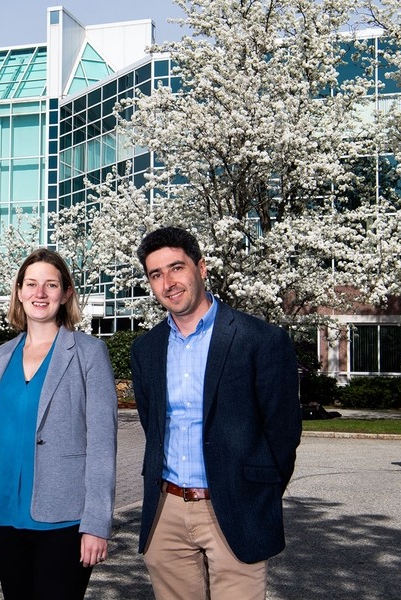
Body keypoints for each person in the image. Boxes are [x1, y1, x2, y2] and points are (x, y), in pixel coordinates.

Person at [130, 227, 302, 600]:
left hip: (237, 508)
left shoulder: (261, 339)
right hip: (167, 511)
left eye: (177, 268)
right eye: (156, 274)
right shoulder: (146, 349)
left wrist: (258, 493)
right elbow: (152, 424)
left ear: (202, 268)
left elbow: (283, 433)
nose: (168, 282)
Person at [0, 248, 118, 600]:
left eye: (51, 285)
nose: (40, 293)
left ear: (65, 294)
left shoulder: (88, 353)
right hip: (4, 516)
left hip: (64, 519)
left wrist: (97, 524)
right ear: (19, 291)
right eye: (31, 284)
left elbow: (102, 446)